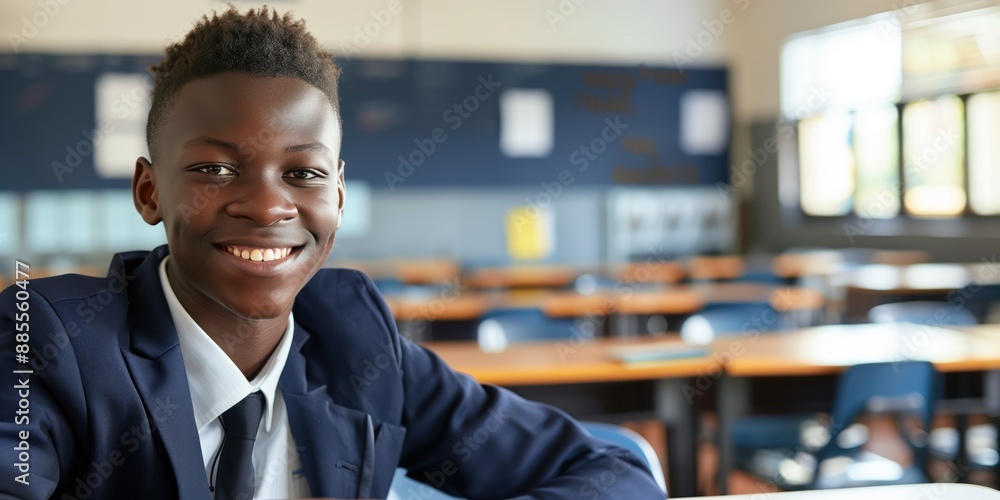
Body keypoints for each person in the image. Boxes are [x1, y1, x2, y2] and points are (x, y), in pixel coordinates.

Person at [0, 6, 664, 499]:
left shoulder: (355, 340)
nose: (266, 207)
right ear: (150, 191)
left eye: (304, 174)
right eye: (215, 170)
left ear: (339, 198)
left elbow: (614, 474)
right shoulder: (50, 341)